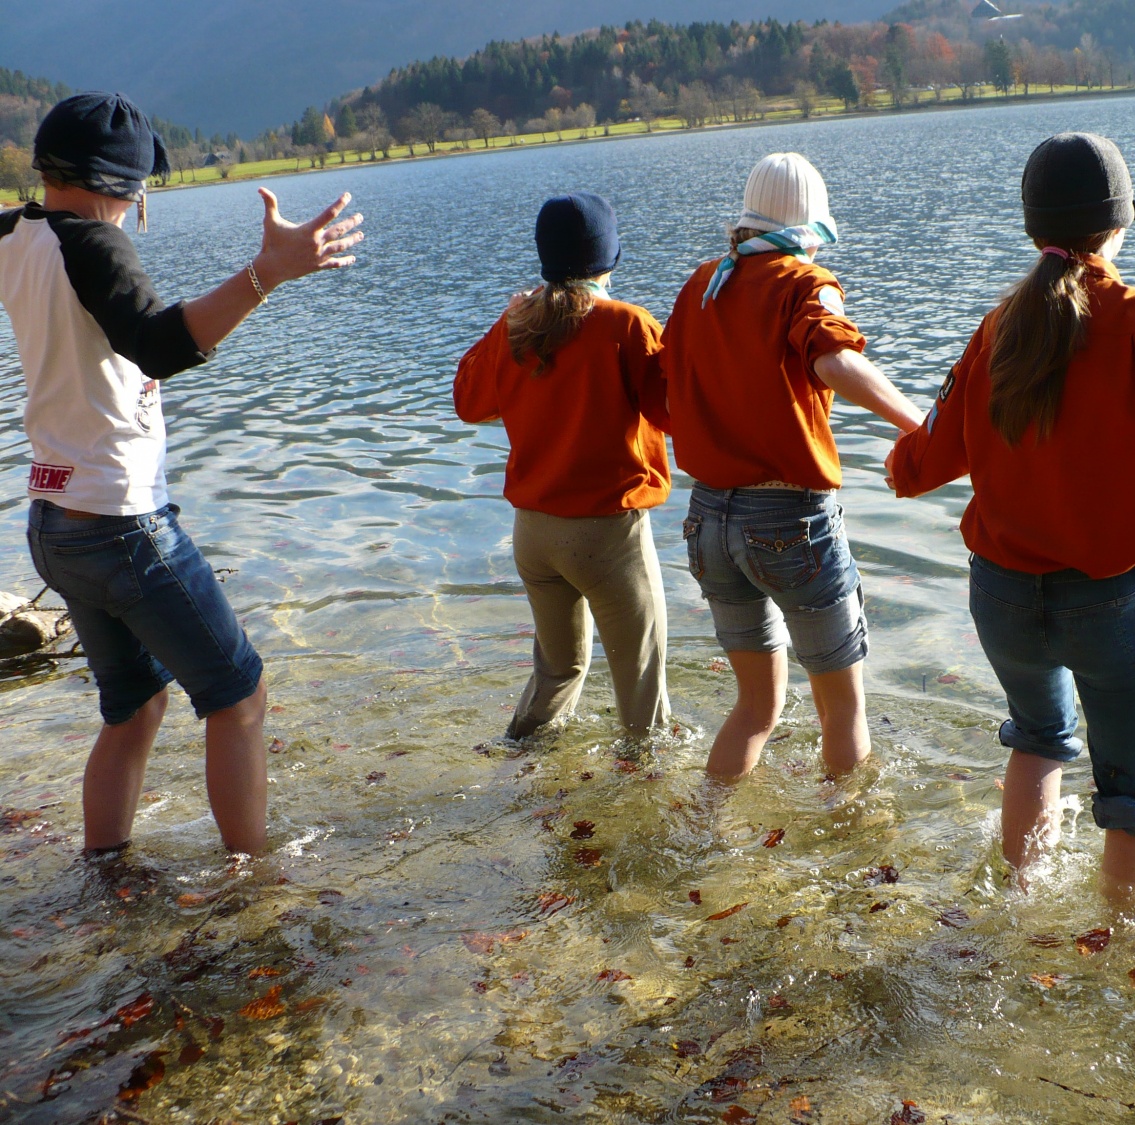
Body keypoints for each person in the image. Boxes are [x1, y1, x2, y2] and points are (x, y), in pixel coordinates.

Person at [885, 133, 1135, 904]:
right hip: (1108, 598)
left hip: (1001, 595)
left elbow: (919, 465)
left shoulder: (997, 327)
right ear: (1120, 222)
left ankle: (1018, 902)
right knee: (1132, 794)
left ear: (1032, 224)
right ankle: (1121, 956)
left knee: (1037, 741)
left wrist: (906, 454)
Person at [2, 92, 363, 856]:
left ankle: (105, 870)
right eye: (141, 194)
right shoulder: (94, 244)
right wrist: (267, 272)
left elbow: (103, 342)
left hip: (53, 520)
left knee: (132, 711)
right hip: (121, 524)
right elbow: (160, 344)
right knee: (239, 695)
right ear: (122, 191)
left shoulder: (16, 233)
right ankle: (253, 882)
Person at [662, 152, 925, 781]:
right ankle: (850, 846)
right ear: (812, 227)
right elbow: (833, 363)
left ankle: (705, 828)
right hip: (789, 523)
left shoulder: (703, 283)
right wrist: (924, 425)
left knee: (756, 705)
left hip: (707, 521)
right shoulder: (807, 282)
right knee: (842, 707)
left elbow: (670, 381)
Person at [453, 192, 672, 739]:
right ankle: (648, 795)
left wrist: (505, 320)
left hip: (534, 535)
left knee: (557, 671)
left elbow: (468, 402)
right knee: (642, 688)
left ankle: (515, 765)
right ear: (610, 257)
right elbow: (675, 412)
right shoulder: (627, 325)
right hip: (607, 537)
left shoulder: (519, 327)